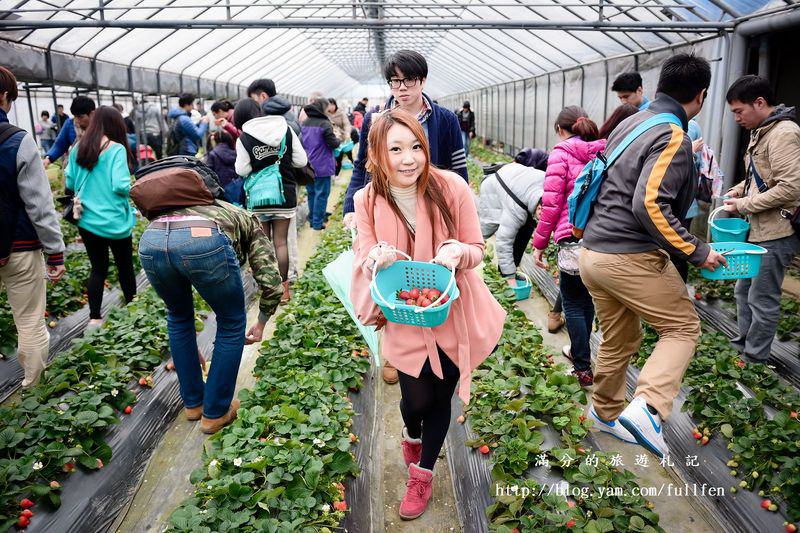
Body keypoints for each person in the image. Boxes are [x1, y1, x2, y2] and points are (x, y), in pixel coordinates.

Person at [350, 108, 505, 521]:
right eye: (395, 149)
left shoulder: (451, 186)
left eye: (416, 146)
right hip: (404, 311)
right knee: (414, 400)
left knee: (440, 397)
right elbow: (363, 252)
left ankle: (422, 474)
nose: (408, 159)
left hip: (452, 309)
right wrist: (376, 258)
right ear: (377, 155)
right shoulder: (366, 199)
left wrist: (458, 252)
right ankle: (411, 435)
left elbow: (476, 247)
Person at [579, 54, 727, 459]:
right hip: (628, 256)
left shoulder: (630, 123)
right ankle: (648, 408)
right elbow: (650, 204)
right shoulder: (672, 135)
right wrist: (698, 250)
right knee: (682, 327)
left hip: (592, 254)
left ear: (658, 87)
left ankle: (605, 414)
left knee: (620, 337)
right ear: (701, 95)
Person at [138, 195, 282, 435]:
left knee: (178, 316)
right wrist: (261, 322)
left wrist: (185, 350)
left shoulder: (170, 208)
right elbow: (271, 280)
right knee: (232, 322)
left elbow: (177, 310)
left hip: (151, 238)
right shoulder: (240, 215)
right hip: (203, 240)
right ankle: (215, 413)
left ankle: (194, 404)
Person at [723, 75, 800, 363]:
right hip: (759, 229)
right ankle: (744, 341)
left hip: (778, 230)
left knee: (762, 297)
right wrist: (739, 190)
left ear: (759, 103)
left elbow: (791, 187)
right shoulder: (763, 131)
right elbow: (763, 179)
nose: (736, 118)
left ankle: (755, 358)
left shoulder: (784, 133)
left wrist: (743, 204)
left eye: (738, 111)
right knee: (743, 289)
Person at [0, 66, 66, 387]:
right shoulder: (17, 141)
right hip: (19, 249)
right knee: (28, 320)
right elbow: (40, 206)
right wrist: (55, 253)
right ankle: (33, 389)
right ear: (4, 97)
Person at [532, 107, 606, 387]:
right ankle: (579, 352)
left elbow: (551, 206)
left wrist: (539, 244)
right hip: (600, 237)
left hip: (571, 236)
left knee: (573, 302)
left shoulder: (560, 155)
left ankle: (583, 367)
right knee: (587, 299)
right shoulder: (604, 151)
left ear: (561, 130)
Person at [64, 106, 138, 328]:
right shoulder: (116, 149)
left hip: (87, 220)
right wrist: (133, 188)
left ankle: (95, 318)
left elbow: (69, 183)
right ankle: (133, 309)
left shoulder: (79, 147)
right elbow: (120, 186)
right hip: (115, 220)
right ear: (116, 125)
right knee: (125, 266)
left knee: (98, 268)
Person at [233, 98, 308, 302]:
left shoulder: (244, 137)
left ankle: (268, 289)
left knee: (263, 245)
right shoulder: (285, 129)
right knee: (281, 243)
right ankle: (284, 290)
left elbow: (241, 169)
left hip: (258, 199)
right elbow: (301, 160)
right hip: (284, 195)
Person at [478, 148, 547, 279]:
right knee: (485, 230)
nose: (541, 221)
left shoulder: (549, 187)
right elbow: (504, 242)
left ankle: (510, 269)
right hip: (493, 186)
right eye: (542, 217)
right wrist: (510, 279)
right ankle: (473, 262)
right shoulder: (516, 211)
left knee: (525, 230)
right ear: (539, 208)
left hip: (512, 178)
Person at [301, 97, 340, 231]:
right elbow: (333, 143)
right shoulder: (324, 123)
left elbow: (302, 141)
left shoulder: (305, 122)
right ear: (323, 108)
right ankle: (318, 223)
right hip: (322, 164)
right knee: (322, 194)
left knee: (311, 193)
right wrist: (338, 139)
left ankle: (312, 219)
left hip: (308, 164)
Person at [43, 96, 96, 168]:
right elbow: (60, 144)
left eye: (80, 117)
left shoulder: (100, 126)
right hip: (77, 165)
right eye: (75, 116)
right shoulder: (70, 124)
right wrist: (49, 158)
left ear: (92, 114)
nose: (77, 121)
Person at [205, 130, 241, 204]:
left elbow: (208, 174)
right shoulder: (236, 153)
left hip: (222, 190)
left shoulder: (212, 154)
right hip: (238, 187)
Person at [327, 98, 354, 176]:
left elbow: (346, 124)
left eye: (332, 104)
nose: (331, 107)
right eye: (329, 105)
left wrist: (347, 133)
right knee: (334, 157)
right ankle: (333, 174)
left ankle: (337, 174)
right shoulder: (325, 114)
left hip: (342, 138)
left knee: (343, 155)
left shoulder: (341, 113)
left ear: (335, 105)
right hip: (331, 138)